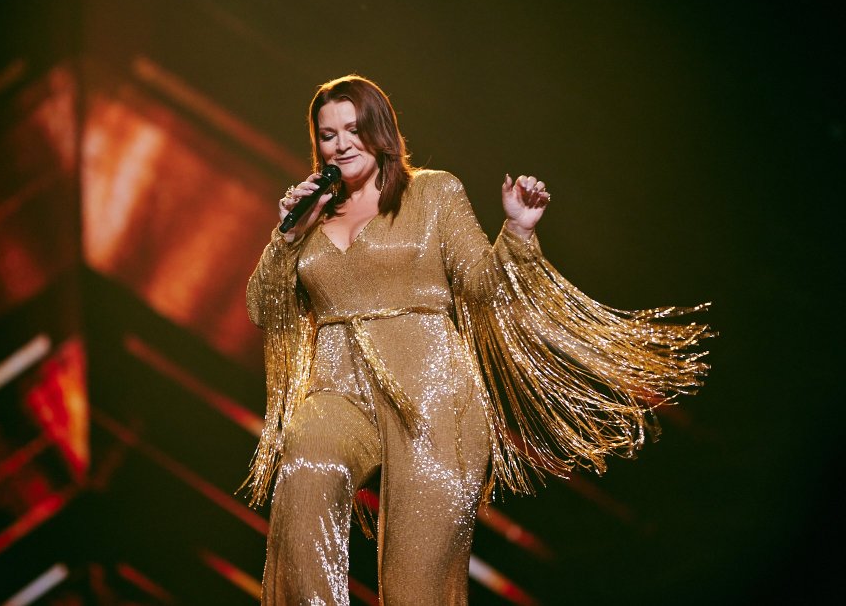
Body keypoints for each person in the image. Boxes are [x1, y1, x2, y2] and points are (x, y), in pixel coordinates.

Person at [244, 75, 710, 605]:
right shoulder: (309, 219)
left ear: (382, 131)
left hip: (435, 400)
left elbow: (480, 285)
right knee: (307, 466)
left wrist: (517, 231)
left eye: (354, 129)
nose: (342, 144)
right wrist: (285, 235)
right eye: (328, 135)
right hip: (338, 391)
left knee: (416, 590)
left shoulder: (434, 192)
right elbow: (263, 307)